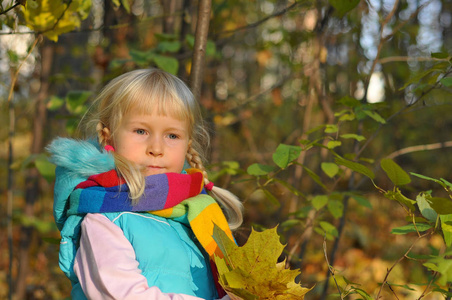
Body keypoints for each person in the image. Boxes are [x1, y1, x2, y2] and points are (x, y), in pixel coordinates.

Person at [47, 68, 243, 299]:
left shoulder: (196, 214)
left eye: (172, 136)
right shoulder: (104, 217)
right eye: (141, 131)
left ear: (188, 143)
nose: (156, 149)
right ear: (109, 137)